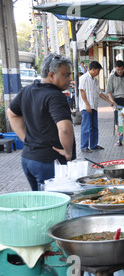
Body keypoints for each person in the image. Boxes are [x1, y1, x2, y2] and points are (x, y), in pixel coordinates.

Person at [7, 53, 76, 191]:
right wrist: (68, 152)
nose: (70, 79)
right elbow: (65, 129)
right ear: (51, 75)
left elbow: (11, 114)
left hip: (28, 160)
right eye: (66, 75)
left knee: (40, 203)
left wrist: (27, 140)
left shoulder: (27, 90)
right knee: (53, 205)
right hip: (49, 162)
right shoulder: (55, 96)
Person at [79, 61, 115, 153]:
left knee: (94, 127)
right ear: (93, 69)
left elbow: (99, 93)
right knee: (86, 127)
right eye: (98, 71)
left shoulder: (95, 80)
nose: (98, 73)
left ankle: (93, 145)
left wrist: (109, 101)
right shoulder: (84, 78)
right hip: (86, 107)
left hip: (94, 106)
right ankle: (84, 146)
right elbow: (82, 92)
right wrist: (87, 104)